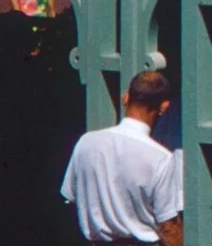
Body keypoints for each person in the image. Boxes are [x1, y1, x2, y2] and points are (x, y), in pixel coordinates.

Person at [61, 70, 184, 245]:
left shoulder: (86, 142)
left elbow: (71, 197)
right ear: (164, 107)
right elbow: (168, 227)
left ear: (125, 98)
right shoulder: (161, 158)